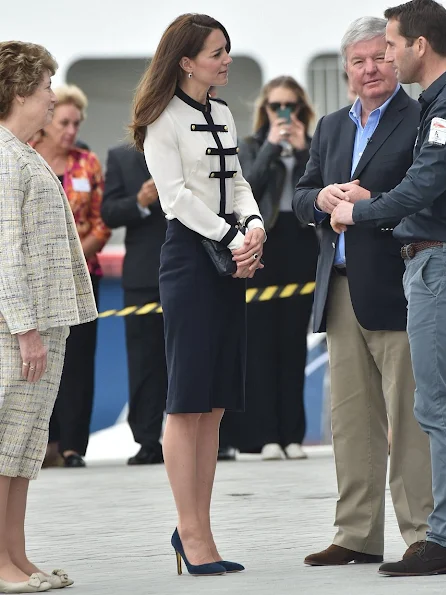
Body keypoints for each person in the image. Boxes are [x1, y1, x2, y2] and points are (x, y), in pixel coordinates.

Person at [293, 16, 433, 567]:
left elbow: (429, 193)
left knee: (412, 416)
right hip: (341, 287)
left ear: (395, 60)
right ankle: (355, 533)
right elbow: (301, 195)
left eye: (379, 57)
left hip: (401, 284)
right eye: (359, 61)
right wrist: (323, 198)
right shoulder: (329, 126)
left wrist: (372, 198)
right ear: (346, 69)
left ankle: (423, 531)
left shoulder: (421, 118)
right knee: (350, 419)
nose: (370, 68)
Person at [131, 13, 265, 576]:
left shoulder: (225, 113)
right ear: (187, 61)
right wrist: (233, 236)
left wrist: (254, 223)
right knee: (186, 401)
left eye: (227, 50)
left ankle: (200, 527)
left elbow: (235, 180)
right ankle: (190, 532)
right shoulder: (162, 119)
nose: (226, 59)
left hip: (227, 257)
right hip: (190, 260)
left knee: (212, 404)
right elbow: (176, 198)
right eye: (217, 52)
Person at [330, 0, 446, 576]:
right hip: (423, 262)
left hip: (437, 266)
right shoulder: (440, 101)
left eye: (391, 45)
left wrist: (362, 213)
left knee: (435, 408)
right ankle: (438, 533)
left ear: (418, 46)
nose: (385, 56)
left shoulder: (443, 106)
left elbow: (426, 185)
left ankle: (445, 536)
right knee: (428, 407)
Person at [0, 41, 97, 592]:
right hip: (17, 329)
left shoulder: (24, 152)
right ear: (18, 92)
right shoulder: (5, 158)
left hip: (42, 322)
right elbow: (5, 251)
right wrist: (25, 329)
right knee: (3, 446)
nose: (49, 97)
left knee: (24, 448)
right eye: (43, 87)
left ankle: (15, 553)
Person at [234, 76, 318, 460]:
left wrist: (302, 153)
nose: (283, 113)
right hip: (262, 241)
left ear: (302, 110)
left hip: (300, 244)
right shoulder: (251, 147)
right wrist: (271, 146)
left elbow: (321, 193)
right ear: (264, 110)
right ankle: (265, 433)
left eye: (291, 106)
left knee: (293, 341)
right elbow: (244, 188)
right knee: (261, 341)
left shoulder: (314, 147)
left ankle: (292, 434)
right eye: (275, 106)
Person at [32, 85, 111, 468]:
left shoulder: (87, 163)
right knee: (39, 358)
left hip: (82, 274)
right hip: (37, 278)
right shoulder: (24, 156)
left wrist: (74, 257)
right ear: (47, 123)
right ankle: (41, 444)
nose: (71, 130)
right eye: (64, 122)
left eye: (76, 123)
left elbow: (101, 222)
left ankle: (72, 445)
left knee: (79, 360)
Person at [101, 144, 167, 465]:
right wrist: (139, 202)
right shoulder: (121, 157)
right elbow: (108, 212)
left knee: (196, 355)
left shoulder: (189, 145)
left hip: (192, 268)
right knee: (144, 361)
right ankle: (147, 439)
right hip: (143, 274)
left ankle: (211, 437)